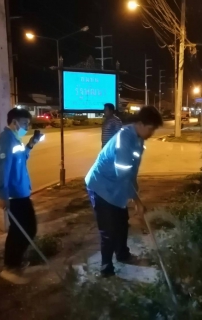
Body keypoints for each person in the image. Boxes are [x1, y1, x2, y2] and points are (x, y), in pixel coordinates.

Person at [85, 105, 163, 277]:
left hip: (116, 187)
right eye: (150, 129)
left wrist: (136, 196)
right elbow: (123, 175)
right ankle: (106, 269)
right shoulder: (124, 139)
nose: (151, 134)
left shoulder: (138, 139)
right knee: (109, 229)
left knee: (121, 223)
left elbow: (131, 173)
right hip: (101, 186)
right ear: (141, 124)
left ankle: (122, 254)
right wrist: (137, 201)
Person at [0, 107, 44, 285]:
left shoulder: (15, 139)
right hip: (14, 195)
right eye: (24, 124)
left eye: (28, 124)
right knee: (25, 229)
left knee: (23, 229)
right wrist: (2, 194)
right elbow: (1, 169)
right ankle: (11, 266)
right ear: (14, 122)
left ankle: (14, 263)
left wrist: (31, 144)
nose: (26, 127)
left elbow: (21, 158)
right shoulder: (6, 140)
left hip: (20, 192)